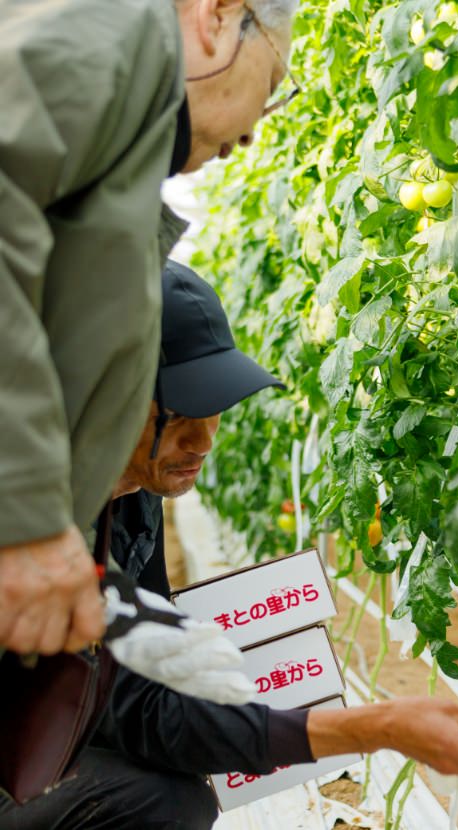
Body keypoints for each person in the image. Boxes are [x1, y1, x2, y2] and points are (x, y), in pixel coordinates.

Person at [0, 262, 458, 829]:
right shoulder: (28, 516)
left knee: (171, 783)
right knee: (156, 801)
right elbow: (140, 706)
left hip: (37, 728)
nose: (203, 440)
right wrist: (377, 728)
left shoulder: (131, 490)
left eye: (214, 407)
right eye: (180, 413)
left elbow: (141, 692)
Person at [0, 0, 301, 658]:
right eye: (272, 86)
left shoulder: (122, 128)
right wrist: (28, 518)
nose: (255, 130)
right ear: (220, 15)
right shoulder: (108, 42)